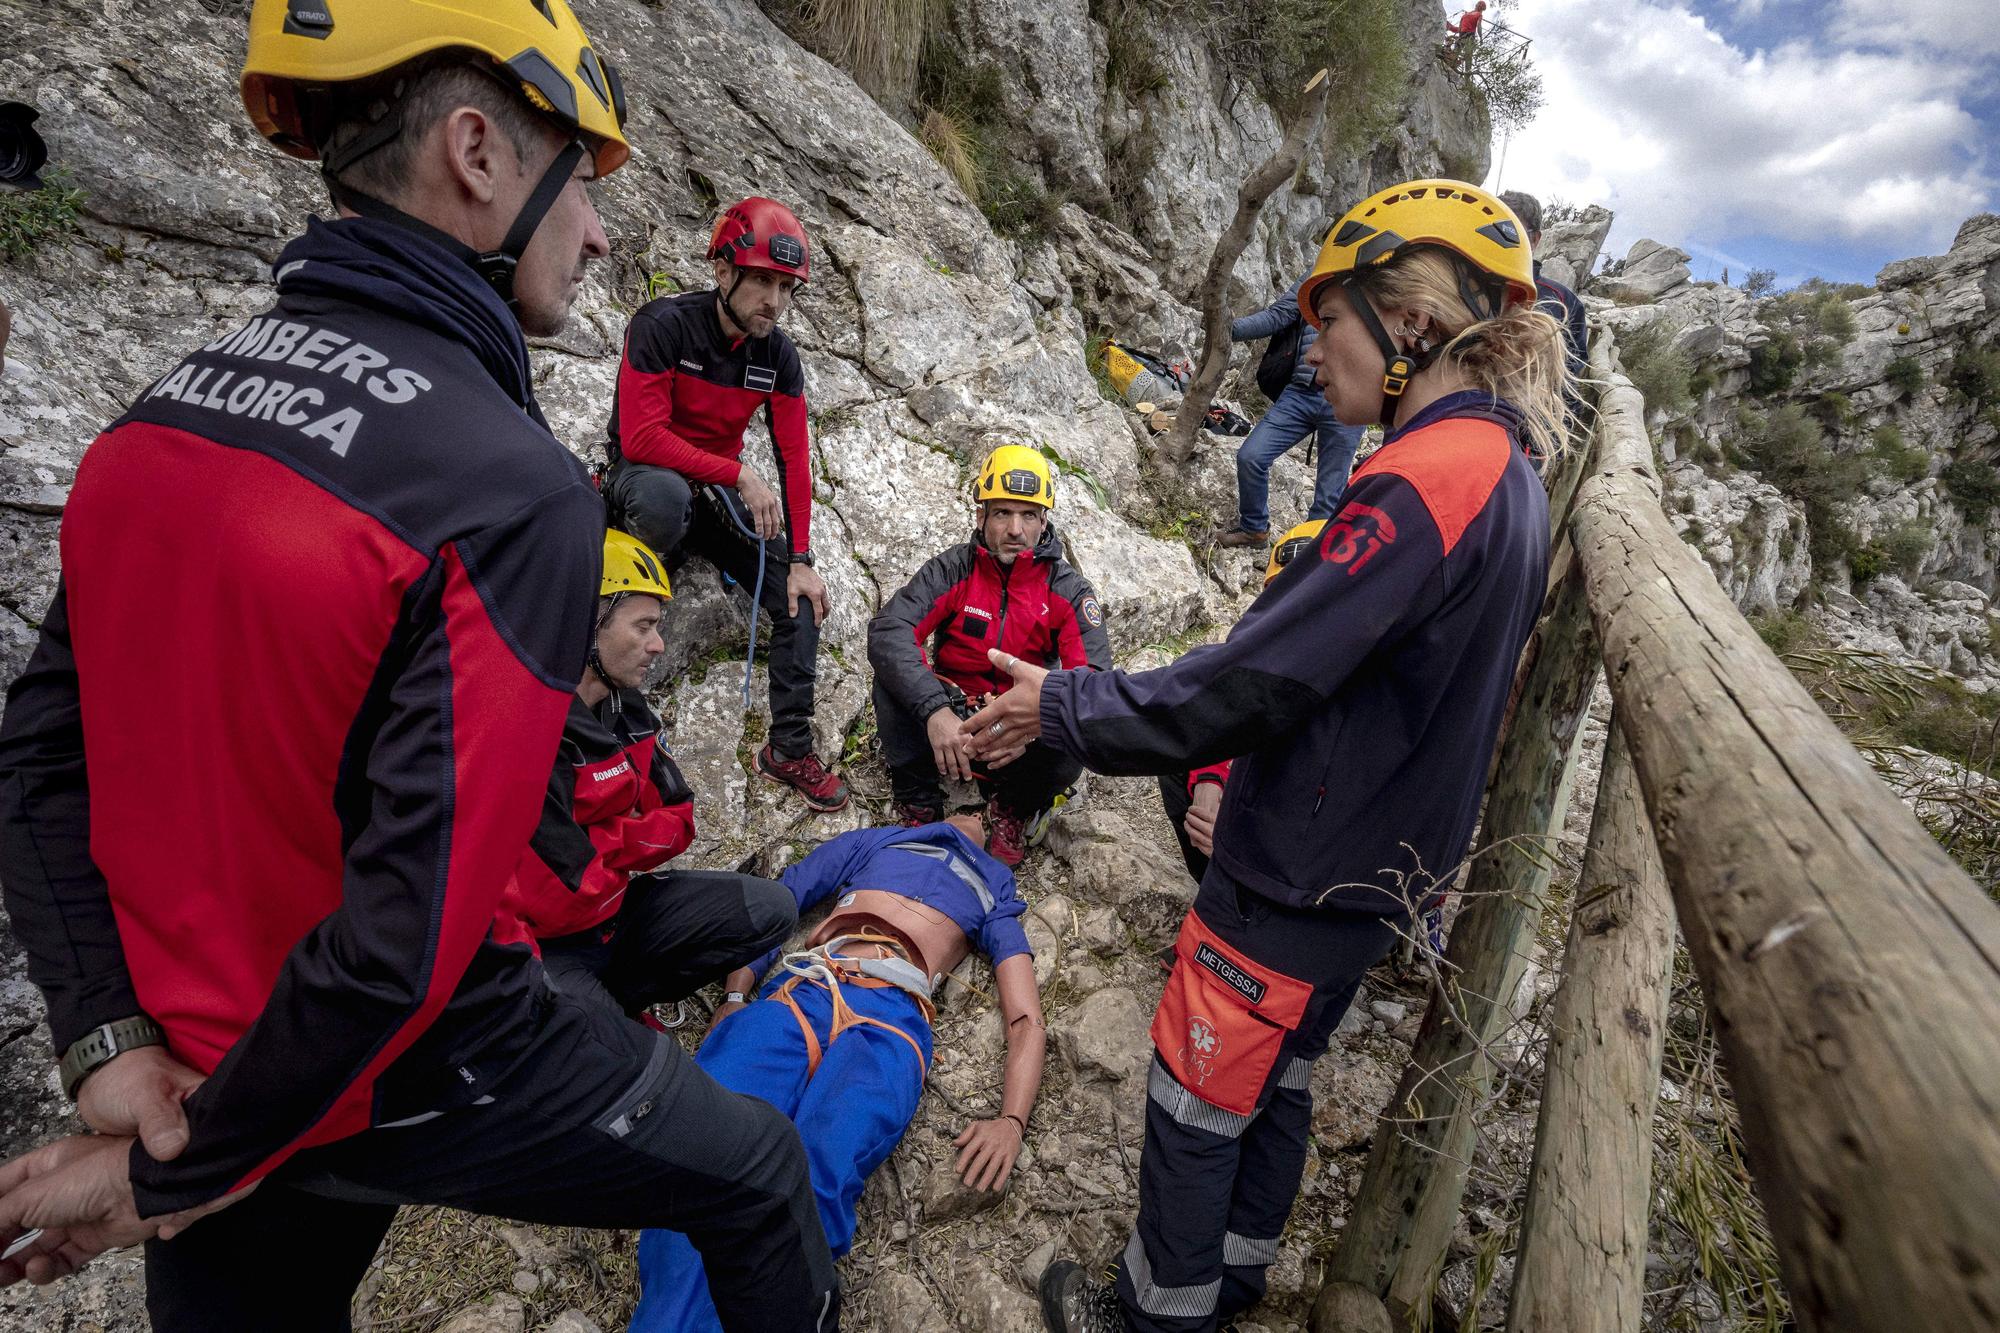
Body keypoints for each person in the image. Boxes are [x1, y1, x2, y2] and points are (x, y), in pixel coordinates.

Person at [0, 5, 838, 1329]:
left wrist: (111, 1039)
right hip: (404, 1060)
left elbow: (41, 750)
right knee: (758, 1174)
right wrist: (186, 1170)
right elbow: (409, 937)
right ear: (477, 154)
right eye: (584, 180)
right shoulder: (506, 490)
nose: (603, 229)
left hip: (199, 1062)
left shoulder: (154, 419)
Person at [958, 179, 1569, 1333]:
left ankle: (1156, 1314)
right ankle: (1235, 1273)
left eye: (1328, 319)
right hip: (1376, 876)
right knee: (1276, 1080)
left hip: (1292, 870)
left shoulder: (1420, 481)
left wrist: (1068, 709)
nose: (1312, 346)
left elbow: (1251, 681)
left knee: (1194, 1100)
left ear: (1415, 324)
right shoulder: (1510, 477)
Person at [628, 812, 1046, 1333]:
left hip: (892, 1018)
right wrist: (737, 994)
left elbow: (1025, 1017)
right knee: (702, 1149)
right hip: (808, 987)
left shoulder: (995, 884)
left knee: (816, 1177)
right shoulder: (878, 841)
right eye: (963, 802)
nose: (973, 814)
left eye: (986, 810)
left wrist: (1012, 1120)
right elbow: (785, 896)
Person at [602, 195, 848, 813]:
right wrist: (738, 473)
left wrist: (800, 556)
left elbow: (794, 459)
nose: (776, 301)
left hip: (710, 496)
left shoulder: (777, 357)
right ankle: (603, 691)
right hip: (648, 477)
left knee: (801, 599)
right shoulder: (663, 325)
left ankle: (787, 747)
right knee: (660, 498)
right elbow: (641, 438)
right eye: (763, 281)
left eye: (786, 287)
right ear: (722, 273)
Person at [494, 529, 798, 1019]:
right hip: (547, 943)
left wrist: (605, 838)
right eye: (643, 626)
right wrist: (632, 836)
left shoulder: (627, 712)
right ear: (586, 623)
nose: (658, 644)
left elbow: (681, 819)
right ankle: (601, 1016)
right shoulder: (527, 728)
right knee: (603, 1053)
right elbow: (573, 882)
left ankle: (623, 1001)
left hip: (616, 912)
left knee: (771, 908)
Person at [867, 445, 1112, 865]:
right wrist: (934, 712)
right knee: (891, 677)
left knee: (1078, 714)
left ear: (1044, 522)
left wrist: (1033, 725)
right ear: (981, 516)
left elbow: (1092, 677)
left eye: (1028, 515)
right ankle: (918, 798)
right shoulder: (954, 569)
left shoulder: (1068, 589)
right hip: (951, 719)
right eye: (1002, 513)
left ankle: (1013, 806)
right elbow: (891, 631)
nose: (1015, 529)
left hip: (1018, 726)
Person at [1157, 521, 1324, 882]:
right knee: (1178, 751)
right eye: (1282, 599)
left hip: (1317, 875)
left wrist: (1243, 843)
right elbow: (1222, 713)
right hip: (1259, 833)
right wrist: (1208, 783)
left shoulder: (1360, 684)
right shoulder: (1261, 650)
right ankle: (1218, 888)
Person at [1217, 276, 1367, 549]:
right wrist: (1228, 329)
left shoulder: (1388, 278)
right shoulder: (1321, 272)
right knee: (1251, 456)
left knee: (1328, 495)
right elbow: (1279, 315)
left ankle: (1311, 557)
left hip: (1351, 396)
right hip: (1301, 391)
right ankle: (1254, 530)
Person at [1499, 190, 1590, 385]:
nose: (1499, 238)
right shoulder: (1462, 282)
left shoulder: (1562, 301)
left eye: (1511, 230)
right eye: (1494, 227)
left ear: (1534, 239)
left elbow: (1570, 372)